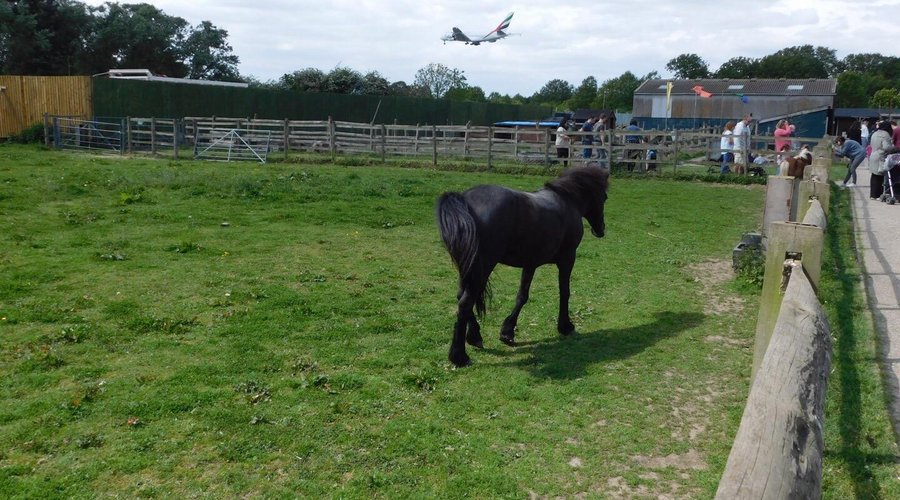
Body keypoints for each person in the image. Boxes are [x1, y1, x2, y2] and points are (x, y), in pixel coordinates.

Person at [869, 120, 895, 199]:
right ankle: (877, 194)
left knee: (874, 175)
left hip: (873, 155)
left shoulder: (875, 133)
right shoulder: (885, 135)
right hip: (880, 156)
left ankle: (872, 195)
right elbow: (886, 147)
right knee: (879, 177)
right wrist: (893, 147)